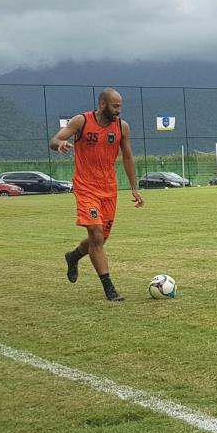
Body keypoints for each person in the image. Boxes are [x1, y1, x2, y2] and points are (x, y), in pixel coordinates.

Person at [49, 88, 144, 301]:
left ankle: (73, 256)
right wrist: (60, 144)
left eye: (120, 106)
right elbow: (54, 140)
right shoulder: (81, 121)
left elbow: (128, 158)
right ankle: (109, 287)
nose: (119, 111)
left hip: (109, 190)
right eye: (115, 106)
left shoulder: (122, 127)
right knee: (96, 233)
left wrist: (134, 188)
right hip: (85, 188)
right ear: (103, 105)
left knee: (100, 239)